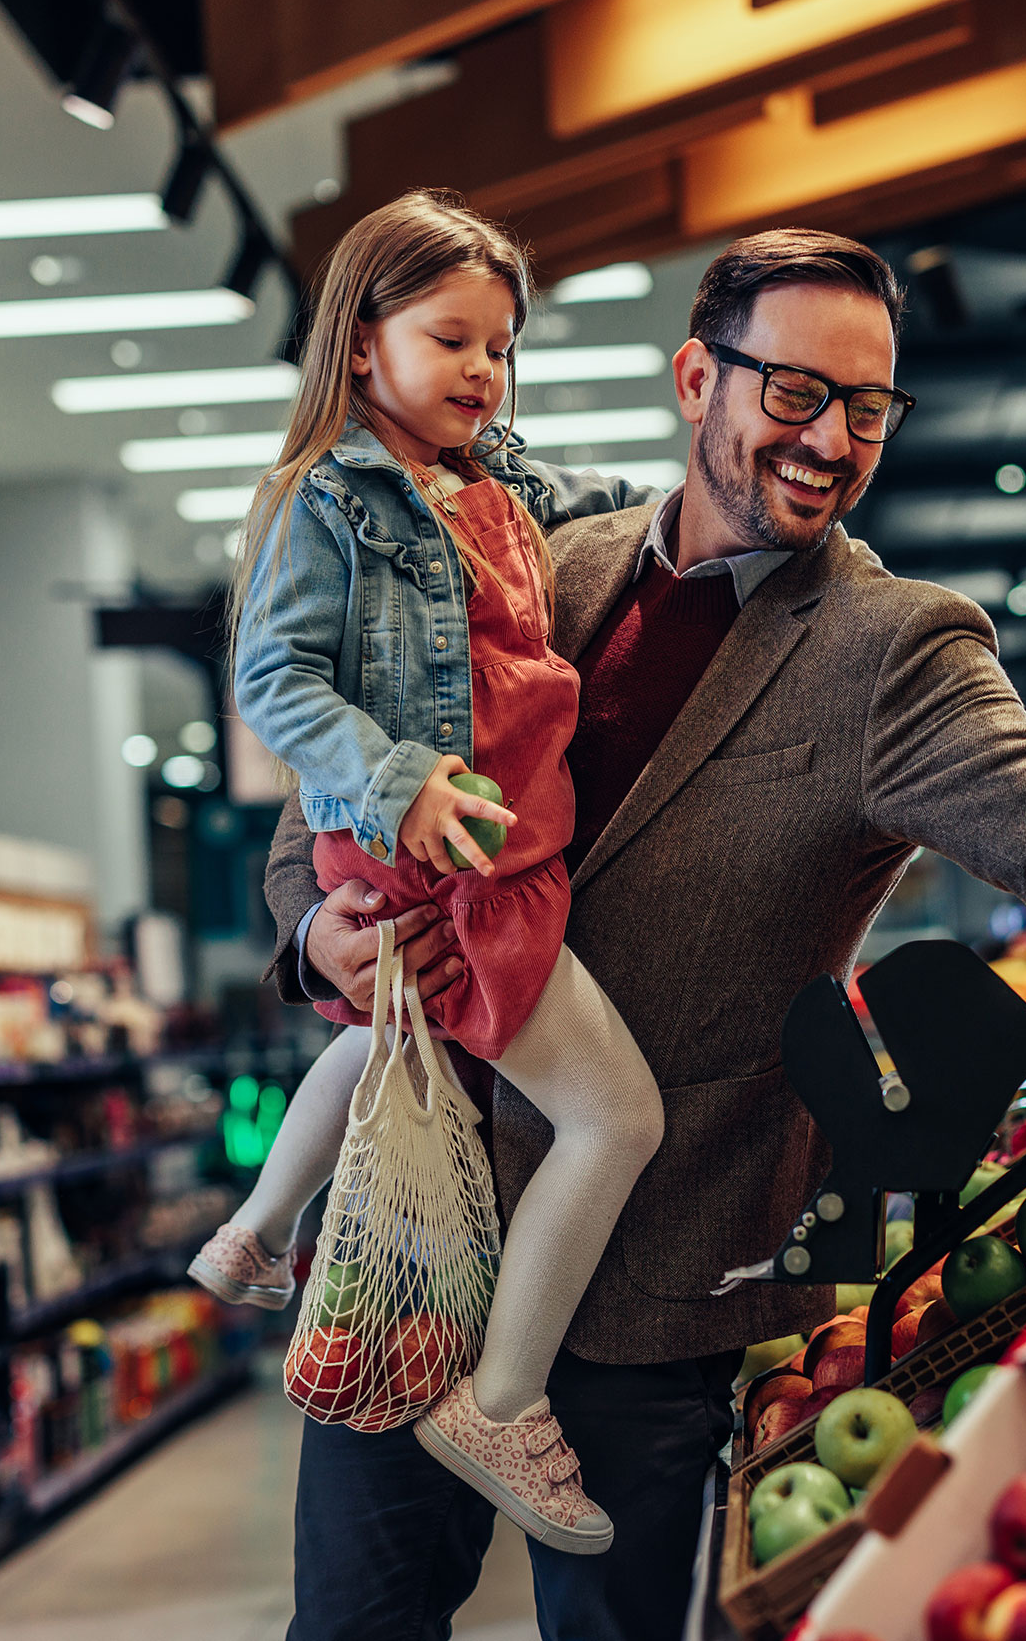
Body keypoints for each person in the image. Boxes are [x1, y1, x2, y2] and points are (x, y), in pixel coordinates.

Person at [265, 228, 1026, 1641]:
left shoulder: (887, 650)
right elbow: (327, 784)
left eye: (869, 407)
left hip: (650, 1290)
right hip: (408, 1229)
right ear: (695, 378)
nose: (832, 440)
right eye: (795, 394)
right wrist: (321, 936)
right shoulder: (532, 557)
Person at [190, 190, 674, 1556]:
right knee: (616, 1119)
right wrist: (399, 786)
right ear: (359, 344)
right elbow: (271, 679)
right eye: (450, 337)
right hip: (453, 854)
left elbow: (600, 507)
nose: (480, 368)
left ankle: (254, 1229)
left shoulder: (494, 484)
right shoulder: (328, 496)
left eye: (501, 346)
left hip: (478, 850)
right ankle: (503, 1402)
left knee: (390, 1030)